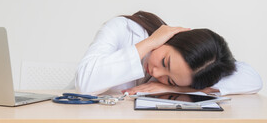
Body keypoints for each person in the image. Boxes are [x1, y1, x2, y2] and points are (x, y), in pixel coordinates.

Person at [75, 11, 263, 95]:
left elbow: (253, 79)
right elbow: (85, 84)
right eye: (165, 62)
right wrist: (149, 43)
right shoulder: (122, 29)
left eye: (170, 79)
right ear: (174, 39)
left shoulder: (192, 71)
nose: (157, 74)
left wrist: (174, 88)